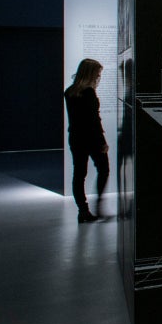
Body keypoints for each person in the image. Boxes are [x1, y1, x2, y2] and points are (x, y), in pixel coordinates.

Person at [64, 58, 109, 223]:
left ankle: (83, 210)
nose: (98, 77)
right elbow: (93, 120)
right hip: (91, 138)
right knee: (103, 169)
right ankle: (97, 205)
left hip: (76, 137)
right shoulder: (88, 92)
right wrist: (102, 141)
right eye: (97, 74)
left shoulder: (70, 91)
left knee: (79, 174)